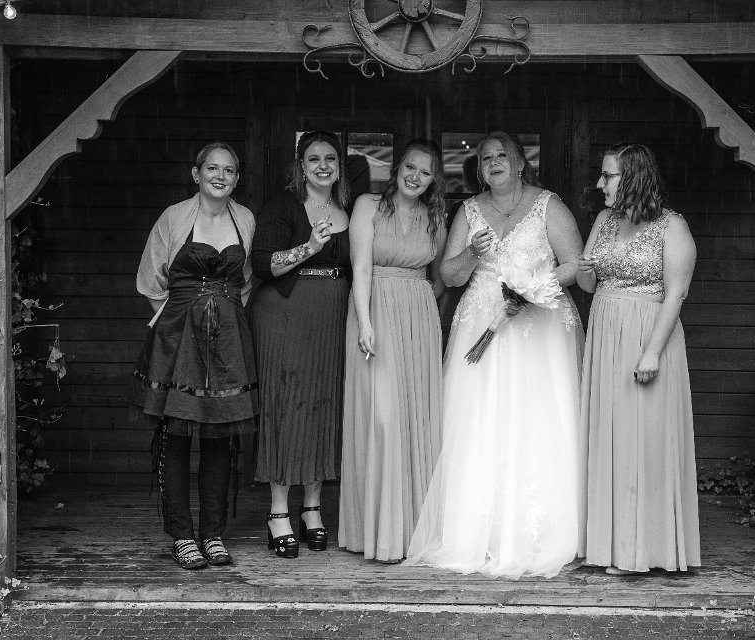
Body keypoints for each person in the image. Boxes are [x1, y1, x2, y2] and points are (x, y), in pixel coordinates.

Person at [405, 131, 586, 579]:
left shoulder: (548, 205)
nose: (493, 162)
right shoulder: (468, 211)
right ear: (479, 170)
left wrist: (533, 288)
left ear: (521, 163)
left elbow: (575, 264)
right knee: (479, 421)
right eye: (486, 158)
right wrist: (472, 252)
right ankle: (478, 530)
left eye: (502, 155)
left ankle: (543, 529)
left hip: (538, 328)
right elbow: (449, 274)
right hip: (481, 324)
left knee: (537, 420)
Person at [131, 142, 257, 570]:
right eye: (212, 168)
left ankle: (213, 533)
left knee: (220, 435)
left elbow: (246, 282)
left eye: (229, 170)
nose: (220, 176)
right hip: (178, 337)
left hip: (227, 341)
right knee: (177, 435)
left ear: (237, 178)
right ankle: (183, 535)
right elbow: (151, 279)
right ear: (196, 174)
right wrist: (177, 323)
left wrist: (224, 317)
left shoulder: (245, 219)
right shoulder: (173, 217)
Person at [577, 143, 700, 575]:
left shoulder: (672, 226)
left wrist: (651, 351)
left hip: (649, 335)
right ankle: (610, 545)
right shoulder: (604, 220)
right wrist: (585, 271)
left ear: (632, 178)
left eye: (608, 176)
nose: (600, 184)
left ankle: (643, 550)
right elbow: (589, 285)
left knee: (644, 440)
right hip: (605, 333)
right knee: (610, 437)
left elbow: (676, 294)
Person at [339, 140, 449, 563]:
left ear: (433, 180)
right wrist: (366, 321)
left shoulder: (435, 217)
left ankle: (413, 530)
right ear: (397, 167)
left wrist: (420, 307)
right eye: (410, 167)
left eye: (425, 172)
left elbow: (440, 277)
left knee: (414, 416)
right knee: (382, 417)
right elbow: (361, 265)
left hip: (417, 318)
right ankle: (378, 531)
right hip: (375, 311)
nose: (415, 176)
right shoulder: (368, 205)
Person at [249, 131, 351, 559]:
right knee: (286, 405)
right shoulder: (282, 206)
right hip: (285, 315)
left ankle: (312, 507)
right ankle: (277, 511)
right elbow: (262, 264)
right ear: (301, 166)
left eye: (330, 158)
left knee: (323, 405)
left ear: (339, 166)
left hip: (331, 319)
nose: (323, 166)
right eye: (314, 159)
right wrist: (309, 247)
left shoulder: (349, 209)